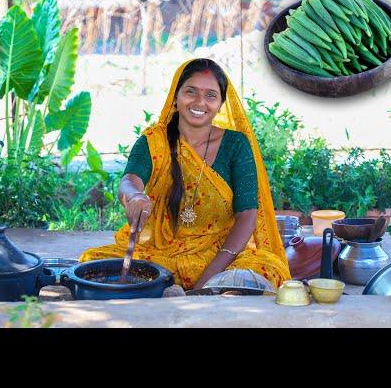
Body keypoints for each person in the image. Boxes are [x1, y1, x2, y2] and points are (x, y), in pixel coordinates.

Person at [79, 58, 291, 290]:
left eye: (211, 95)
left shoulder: (235, 144)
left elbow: (247, 214)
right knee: (93, 262)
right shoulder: (153, 141)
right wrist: (134, 196)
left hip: (219, 255)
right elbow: (130, 180)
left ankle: (179, 289)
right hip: (160, 253)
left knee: (266, 271)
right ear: (176, 97)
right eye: (191, 92)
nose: (200, 102)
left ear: (221, 103)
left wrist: (206, 282)